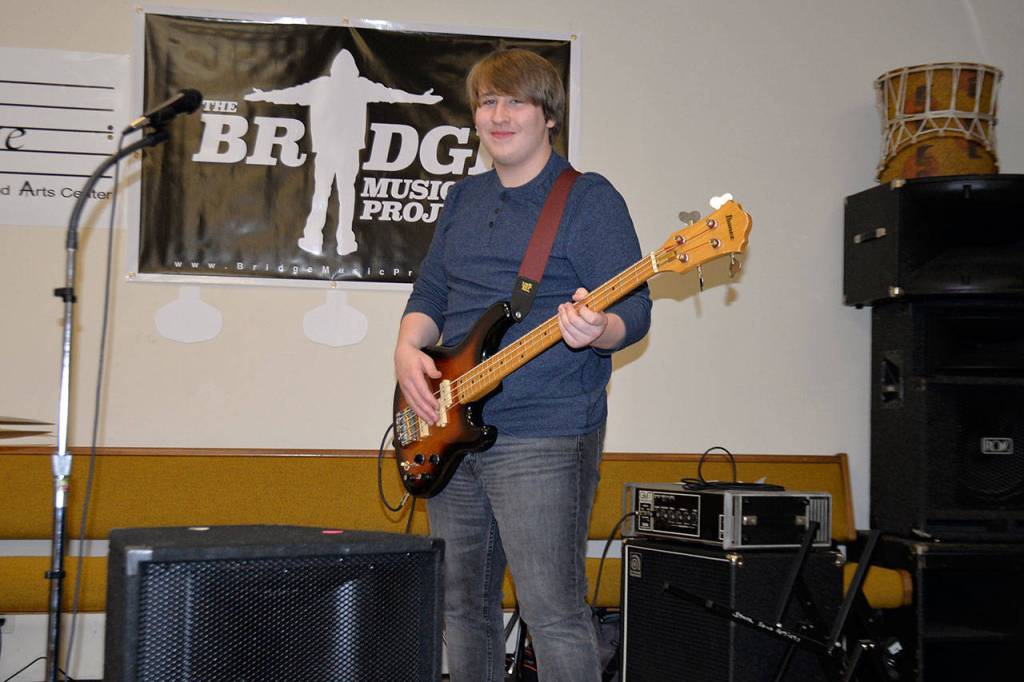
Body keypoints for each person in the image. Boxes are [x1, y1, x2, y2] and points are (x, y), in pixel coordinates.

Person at [394, 48, 651, 682]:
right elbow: (430, 294)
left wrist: (599, 329)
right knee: (462, 606)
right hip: (446, 426)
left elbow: (636, 311)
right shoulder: (463, 198)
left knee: (551, 610)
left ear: (549, 116)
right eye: (487, 102)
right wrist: (406, 349)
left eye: (516, 101)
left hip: (545, 430)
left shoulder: (588, 200)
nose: (499, 115)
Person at [245, 49, 441, 256]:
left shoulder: (325, 85)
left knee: (324, 193)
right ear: (353, 69)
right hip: (346, 151)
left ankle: (316, 237)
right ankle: (343, 240)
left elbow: (290, 95)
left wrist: (265, 96)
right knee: (345, 194)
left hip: (330, 150)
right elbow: (392, 95)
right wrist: (422, 99)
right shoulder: (357, 86)